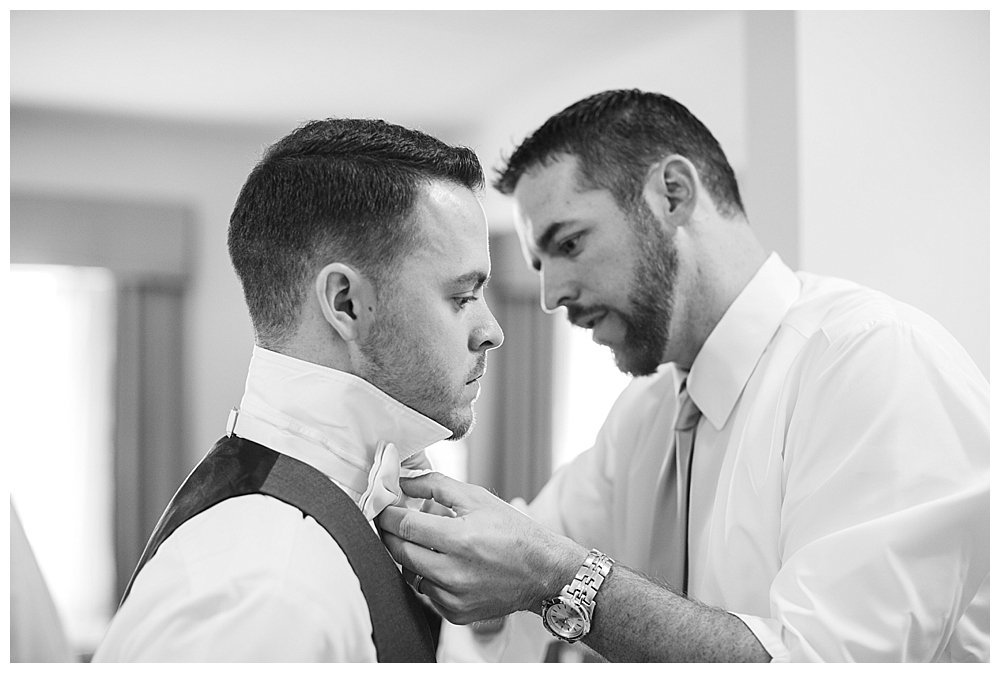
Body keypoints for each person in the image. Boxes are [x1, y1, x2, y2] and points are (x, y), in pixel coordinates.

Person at [377, 89, 989, 663]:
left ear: (672, 193)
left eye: (570, 243)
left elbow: (820, 662)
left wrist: (559, 580)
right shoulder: (646, 414)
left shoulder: (874, 364)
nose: (551, 296)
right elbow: (521, 546)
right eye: (540, 264)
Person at [92, 118, 504, 662]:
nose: (491, 331)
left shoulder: (358, 502)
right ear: (346, 303)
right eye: (462, 296)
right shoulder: (265, 596)